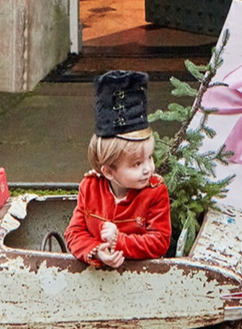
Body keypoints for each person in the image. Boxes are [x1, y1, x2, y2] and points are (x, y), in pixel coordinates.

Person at [64, 70, 172, 267]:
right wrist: (97, 251)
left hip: (142, 279)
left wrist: (119, 241)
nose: (148, 169)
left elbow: (159, 242)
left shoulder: (155, 192)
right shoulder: (90, 188)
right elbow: (74, 232)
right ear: (108, 171)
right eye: (137, 164)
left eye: (149, 158)